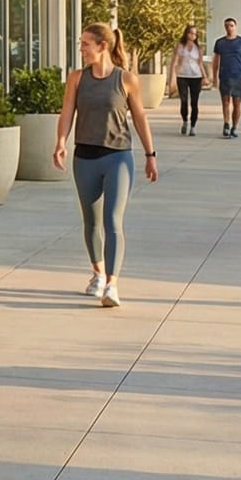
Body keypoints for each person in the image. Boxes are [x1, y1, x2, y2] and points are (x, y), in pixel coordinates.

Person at [52, 22, 158, 308]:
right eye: (81, 43)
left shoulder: (126, 79)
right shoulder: (77, 78)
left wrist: (150, 154)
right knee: (91, 221)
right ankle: (97, 273)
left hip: (118, 156)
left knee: (112, 220)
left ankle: (112, 284)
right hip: (84, 156)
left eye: (85, 44)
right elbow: (66, 114)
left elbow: (139, 118)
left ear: (102, 46)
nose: (81, 49)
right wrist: (61, 142)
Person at [212, 16, 241, 137]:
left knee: (237, 103)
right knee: (225, 101)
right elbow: (216, 61)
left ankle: (235, 126)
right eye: (227, 26)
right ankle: (226, 124)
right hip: (224, 76)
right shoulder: (220, 43)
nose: (229, 28)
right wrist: (214, 78)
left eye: (231, 25)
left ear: (235, 27)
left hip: (238, 76)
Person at [170, 26, 206, 136]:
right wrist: (172, 77)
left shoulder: (198, 48)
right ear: (186, 34)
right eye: (191, 33)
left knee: (194, 102)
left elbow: (200, 63)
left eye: (195, 34)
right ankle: (185, 120)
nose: (192, 36)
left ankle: (193, 125)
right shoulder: (180, 47)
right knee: (184, 100)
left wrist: (205, 76)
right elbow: (174, 62)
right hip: (182, 75)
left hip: (196, 76)